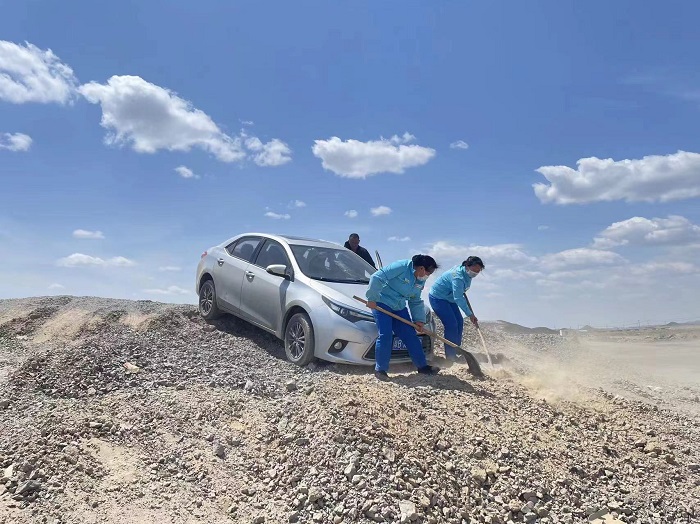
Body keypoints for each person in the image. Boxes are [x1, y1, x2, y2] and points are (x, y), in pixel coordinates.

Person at [365, 254, 441, 380]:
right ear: (421, 268)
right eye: (429, 272)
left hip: (399, 307)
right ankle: (380, 370)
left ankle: (422, 367)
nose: (428, 276)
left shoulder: (420, 279)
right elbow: (377, 277)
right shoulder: (401, 266)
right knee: (386, 335)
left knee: (410, 335)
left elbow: (415, 299)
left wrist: (419, 320)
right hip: (382, 303)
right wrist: (372, 298)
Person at [428, 256, 485, 362]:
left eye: (478, 271)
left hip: (450, 298)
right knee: (451, 324)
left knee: (459, 322)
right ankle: (451, 356)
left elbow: (459, 293)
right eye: (474, 270)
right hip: (438, 298)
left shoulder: (466, 274)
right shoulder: (458, 277)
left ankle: (456, 348)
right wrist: (470, 314)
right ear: (467, 266)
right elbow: (458, 298)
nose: (475, 273)